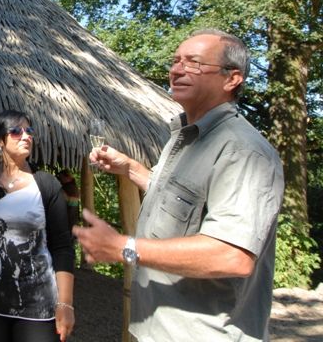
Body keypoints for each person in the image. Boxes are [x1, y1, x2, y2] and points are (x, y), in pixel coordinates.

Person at [74, 29, 284, 342]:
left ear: (232, 79)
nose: (177, 69)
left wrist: (123, 248)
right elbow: (181, 200)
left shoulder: (242, 151)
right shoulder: (184, 138)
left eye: (194, 63)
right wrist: (130, 167)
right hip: (158, 331)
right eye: (175, 61)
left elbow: (232, 255)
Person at [0, 110, 75, 342]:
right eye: (16, 131)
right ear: (0, 140)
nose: (26, 136)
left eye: (29, 131)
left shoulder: (47, 184)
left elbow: (62, 247)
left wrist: (66, 304)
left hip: (37, 305)